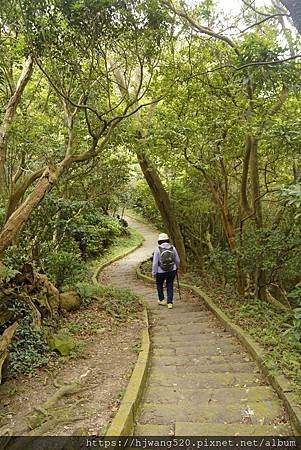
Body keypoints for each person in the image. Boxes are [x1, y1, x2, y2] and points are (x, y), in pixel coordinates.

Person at [152, 233, 180, 309]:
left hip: (160, 271)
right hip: (172, 270)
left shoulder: (157, 249)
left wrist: (154, 273)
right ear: (167, 240)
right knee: (170, 284)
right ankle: (170, 302)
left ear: (159, 241)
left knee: (159, 284)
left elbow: (155, 263)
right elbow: (177, 260)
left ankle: (162, 300)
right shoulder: (172, 248)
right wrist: (177, 267)